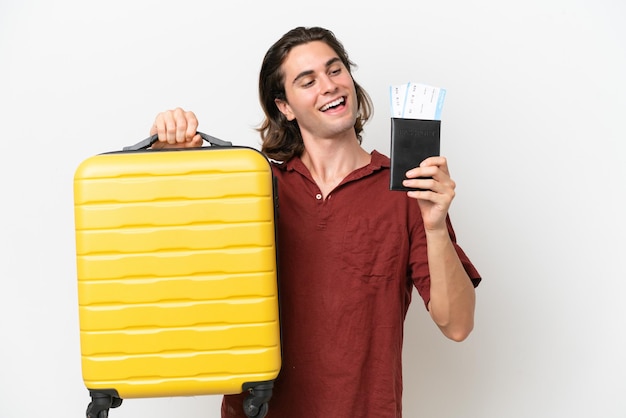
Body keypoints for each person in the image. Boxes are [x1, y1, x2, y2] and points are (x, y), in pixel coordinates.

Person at [149, 26, 481, 418]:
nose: (328, 86)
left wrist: (436, 224)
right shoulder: (251, 186)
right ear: (284, 107)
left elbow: (457, 325)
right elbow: (174, 268)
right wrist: (169, 159)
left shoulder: (408, 192)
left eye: (335, 70)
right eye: (307, 81)